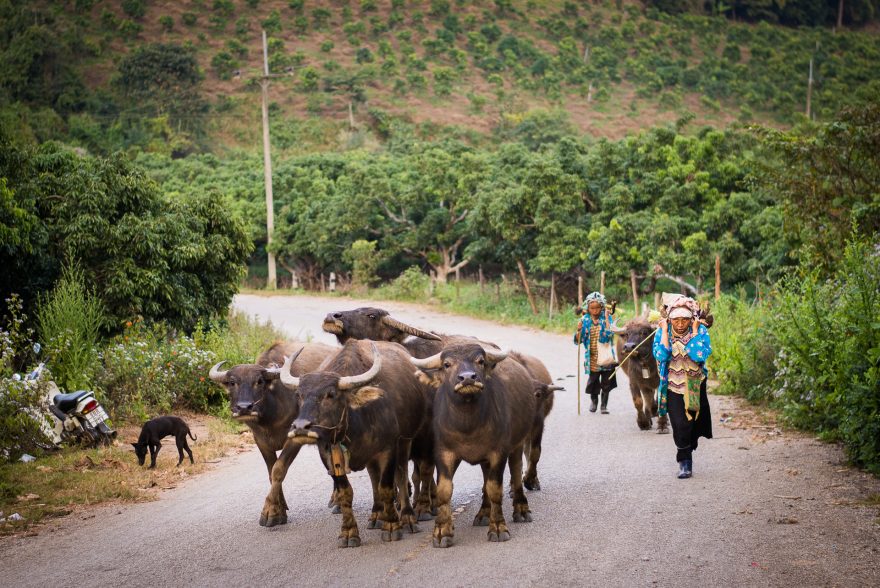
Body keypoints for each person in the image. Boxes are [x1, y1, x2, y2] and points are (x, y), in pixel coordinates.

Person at [653, 296, 712, 479]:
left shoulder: (700, 331)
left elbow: (699, 355)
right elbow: (661, 356)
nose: (680, 324)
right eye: (676, 320)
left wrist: (694, 332)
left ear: (691, 320)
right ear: (669, 320)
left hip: (694, 385)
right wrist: (664, 332)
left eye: (684, 320)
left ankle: (687, 448)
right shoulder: (662, 332)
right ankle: (684, 463)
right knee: (680, 424)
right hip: (672, 386)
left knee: (691, 424)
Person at [573, 292, 618, 413]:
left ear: (602, 307)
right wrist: (578, 330)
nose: (595, 310)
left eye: (598, 308)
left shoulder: (606, 318)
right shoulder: (584, 320)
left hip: (606, 357)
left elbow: (609, 335)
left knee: (606, 382)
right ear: (588, 308)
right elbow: (578, 341)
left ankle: (603, 406)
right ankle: (594, 402)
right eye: (592, 308)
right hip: (592, 358)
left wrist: (608, 321)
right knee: (593, 382)